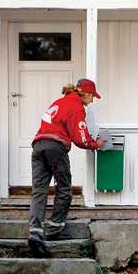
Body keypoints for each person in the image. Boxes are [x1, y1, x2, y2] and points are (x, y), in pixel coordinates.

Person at [28, 78, 106, 257]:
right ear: (85, 93)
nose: (92, 100)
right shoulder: (77, 107)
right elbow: (81, 139)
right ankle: (53, 228)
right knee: (64, 189)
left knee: (39, 191)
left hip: (38, 146)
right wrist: (97, 144)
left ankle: (35, 233)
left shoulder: (58, 102)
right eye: (92, 96)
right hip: (56, 147)